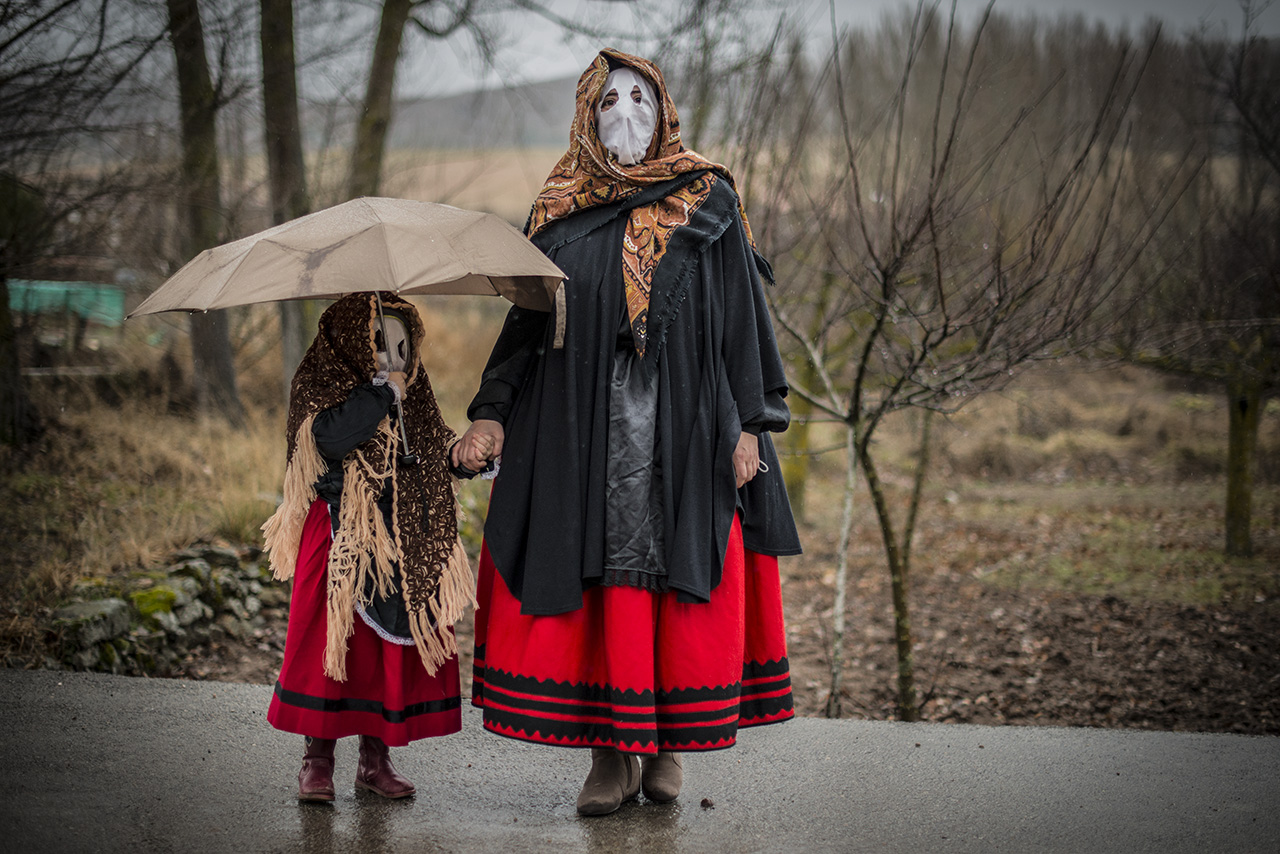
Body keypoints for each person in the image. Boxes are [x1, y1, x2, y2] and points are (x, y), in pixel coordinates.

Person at [453, 49, 801, 817]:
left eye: (641, 101)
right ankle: (613, 754)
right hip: (584, 426)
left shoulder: (708, 199)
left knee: (676, 576)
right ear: (586, 114)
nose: (626, 117)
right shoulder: (558, 210)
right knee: (604, 583)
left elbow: (744, 319)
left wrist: (750, 425)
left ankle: (669, 745)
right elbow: (524, 327)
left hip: (688, 425)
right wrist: (490, 411)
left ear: (666, 111)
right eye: (609, 103)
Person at [262, 291, 475, 802]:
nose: (393, 359)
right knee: (332, 643)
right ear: (355, 341)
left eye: (402, 347)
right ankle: (317, 761)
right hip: (338, 526)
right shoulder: (321, 380)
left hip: (398, 530)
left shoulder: (411, 388)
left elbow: (426, 444)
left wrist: (462, 455)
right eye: (381, 345)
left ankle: (374, 760)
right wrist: (382, 395)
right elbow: (327, 439)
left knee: (384, 649)